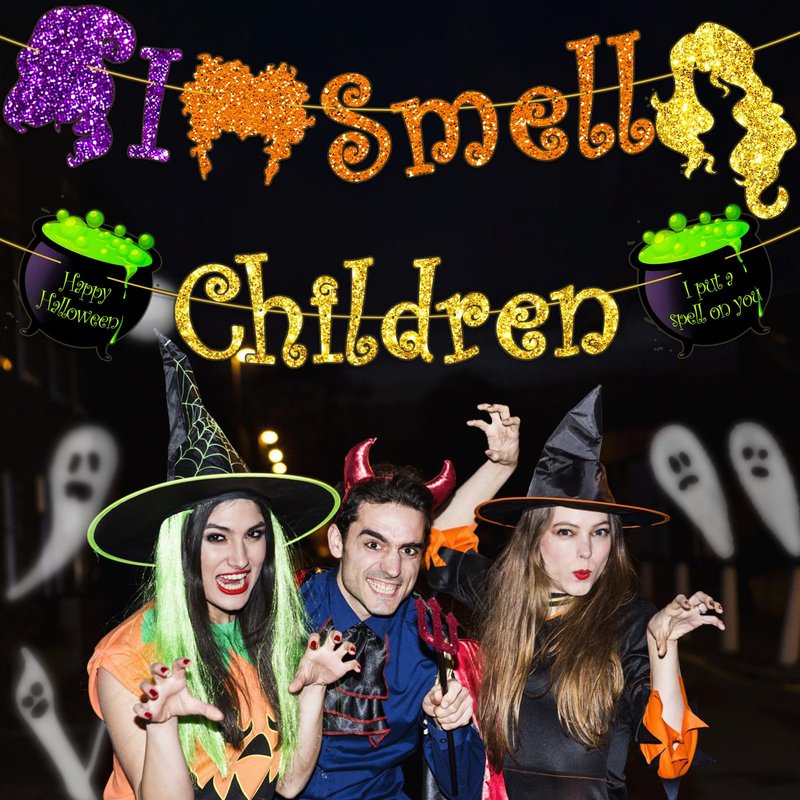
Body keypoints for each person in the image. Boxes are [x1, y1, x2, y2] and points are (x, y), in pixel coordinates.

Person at [87, 334, 358, 800]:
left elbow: (289, 784)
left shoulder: (272, 637)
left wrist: (314, 689)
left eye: (254, 535)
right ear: (181, 548)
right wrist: (162, 727)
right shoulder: (127, 658)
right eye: (216, 537)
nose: (240, 558)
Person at [428, 387, 722, 800]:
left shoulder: (630, 621)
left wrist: (662, 647)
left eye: (600, 533)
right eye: (566, 532)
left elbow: (672, 758)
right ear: (533, 540)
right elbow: (436, 548)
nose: (586, 551)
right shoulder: (505, 596)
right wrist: (500, 467)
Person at [296, 404, 520, 800]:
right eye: (373, 544)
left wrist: (448, 724)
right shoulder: (284, 610)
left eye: (409, 550)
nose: (393, 568)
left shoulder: (433, 641)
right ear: (337, 542)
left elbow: (464, 788)